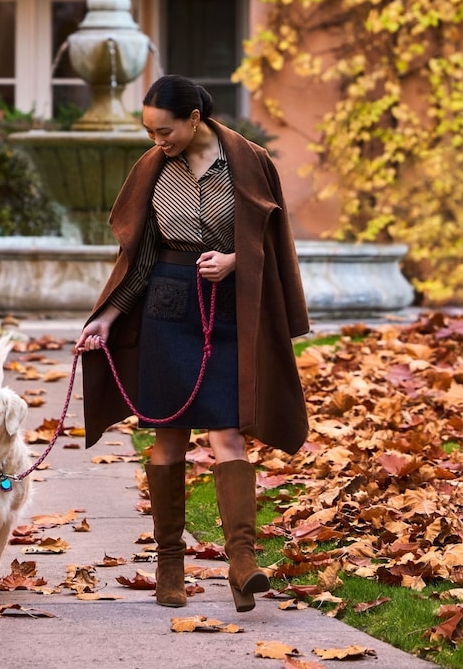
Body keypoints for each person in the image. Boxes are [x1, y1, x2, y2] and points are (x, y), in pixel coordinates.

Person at [76, 75, 309, 612]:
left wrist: (235, 260)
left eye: (165, 131)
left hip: (228, 312)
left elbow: (273, 242)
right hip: (166, 311)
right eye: (150, 132)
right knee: (169, 437)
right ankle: (169, 563)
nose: (158, 141)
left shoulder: (249, 162)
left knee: (228, 433)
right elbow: (141, 257)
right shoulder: (153, 167)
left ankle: (242, 562)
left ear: (195, 119)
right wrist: (107, 317)